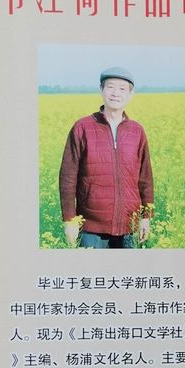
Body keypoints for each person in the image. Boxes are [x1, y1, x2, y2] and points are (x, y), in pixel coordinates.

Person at [59, 66, 154, 248]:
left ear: (130, 94)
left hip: (129, 226)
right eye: (110, 87)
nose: (116, 93)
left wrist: (146, 217)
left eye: (122, 89)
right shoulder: (82, 127)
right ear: (101, 90)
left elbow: (145, 178)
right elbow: (68, 177)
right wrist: (69, 220)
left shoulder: (137, 131)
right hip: (91, 228)